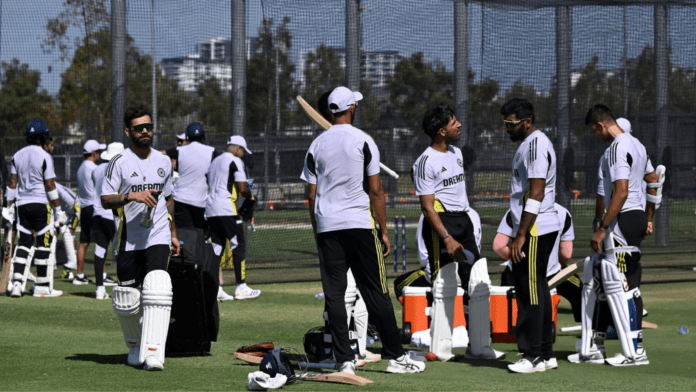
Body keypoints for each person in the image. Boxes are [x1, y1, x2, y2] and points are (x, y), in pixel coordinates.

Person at [301, 86, 425, 375]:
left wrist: (318, 230)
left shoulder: (316, 145)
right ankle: (396, 357)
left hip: (328, 228)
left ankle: (343, 360)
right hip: (359, 225)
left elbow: (311, 195)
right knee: (376, 292)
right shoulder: (364, 140)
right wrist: (383, 230)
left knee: (334, 296)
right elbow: (376, 190)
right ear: (351, 108)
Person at [412, 103, 501, 362]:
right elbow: (428, 208)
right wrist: (447, 238)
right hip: (443, 224)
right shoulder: (424, 162)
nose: (459, 125)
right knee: (444, 283)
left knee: (479, 280)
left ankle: (480, 346)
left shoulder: (457, 153)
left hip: (464, 221)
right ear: (441, 131)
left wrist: (462, 229)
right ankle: (440, 349)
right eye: (453, 123)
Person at [573, 104, 659, 367]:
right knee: (604, 277)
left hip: (622, 219)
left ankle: (634, 351)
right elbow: (654, 179)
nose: (596, 137)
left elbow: (620, 192)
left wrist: (602, 227)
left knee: (622, 283)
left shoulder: (615, 148)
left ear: (600, 126)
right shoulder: (638, 145)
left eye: (594, 132)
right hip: (633, 218)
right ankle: (597, 347)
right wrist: (648, 217)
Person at [101, 105, 179, 370]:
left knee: (157, 287)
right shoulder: (118, 163)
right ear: (128, 132)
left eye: (149, 126)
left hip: (158, 235)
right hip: (129, 239)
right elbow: (104, 200)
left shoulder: (163, 161)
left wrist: (173, 234)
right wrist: (130, 196)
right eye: (139, 128)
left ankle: (155, 353)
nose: (146, 131)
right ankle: (136, 345)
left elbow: (169, 200)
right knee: (129, 298)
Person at [500, 98, 559, 373]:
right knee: (538, 288)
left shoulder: (535, 144)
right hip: (534, 228)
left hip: (534, 229)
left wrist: (521, 234)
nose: (507, 129)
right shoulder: (527, 145)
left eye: (511, 124)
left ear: (527, 122)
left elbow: (537, 191)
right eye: (505, 124)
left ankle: (532, 355)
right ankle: (545, 354)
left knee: (529, 290)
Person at [6, 119, 66, 298]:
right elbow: (50, 185)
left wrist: (8, 207)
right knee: (43, 244)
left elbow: (12, 183)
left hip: (21, 205)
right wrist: (58, 209)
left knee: (23, 243)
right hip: (41, 205)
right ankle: (41, 285)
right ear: (43, 136)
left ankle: (17, 284)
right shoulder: (45, 156)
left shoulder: (17, 155)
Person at [494, 203, 581, 323]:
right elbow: (566, 254)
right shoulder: (563, 212)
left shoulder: (514, 210)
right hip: (553, 274)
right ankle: (590, 327)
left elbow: (498, 246)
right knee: (583, 290)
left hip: (517, 273)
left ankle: (507, 324)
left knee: (508, 307)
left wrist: (517, 258)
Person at [206, 135, 260, 300]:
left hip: (211, 211)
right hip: (226, 209)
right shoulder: (235, 161)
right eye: (243, 151)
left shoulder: (214, 161)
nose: (242, 154)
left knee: (216, 249)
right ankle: (241, 286)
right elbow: (243, 188)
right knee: (239, 245)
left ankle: (215, 289)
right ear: (237, 148)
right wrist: (251, 198)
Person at [90, 142, 124, 299]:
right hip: (113, 216)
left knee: (99, 251)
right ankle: (124, 288)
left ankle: (99, 289)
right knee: (120, 251)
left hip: (97, 214)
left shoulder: (96, 170)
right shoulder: (120, 168)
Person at [75, 139, 106, 285]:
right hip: (94, 208)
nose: (99, 154)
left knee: (84, 242)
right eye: (98, 151)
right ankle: (103, 274)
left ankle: (79, 275)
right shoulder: (94, 168)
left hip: (84, 208)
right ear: (94, 153)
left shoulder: (81, 168)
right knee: (101, 241)